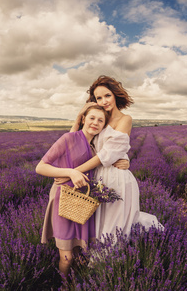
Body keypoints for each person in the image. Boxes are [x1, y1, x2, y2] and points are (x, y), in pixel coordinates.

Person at [70, 75, 161, 239]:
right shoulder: (99, 119)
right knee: (97, 224)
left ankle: (113, 262)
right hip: (97, 177)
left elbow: (107, 154)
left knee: (114, 227)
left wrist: (73, 171)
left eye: (107, 95)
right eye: (99, 98)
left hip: (116, 179)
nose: (104, 101)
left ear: (115, 95)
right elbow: (73, 142)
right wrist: (79, 117)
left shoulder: (125, 119)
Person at [36, 105, 114, 279]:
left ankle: (77, 280)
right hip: (64, 199)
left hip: (84, 201)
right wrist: (70, 172)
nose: (95, 123)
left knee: (81, 250)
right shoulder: (69, 138)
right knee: (67, 256)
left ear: (104, 126)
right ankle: (63, 285)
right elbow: (40, 167)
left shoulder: (96, 145)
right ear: (83, 119)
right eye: (92, 118)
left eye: (100, 120)